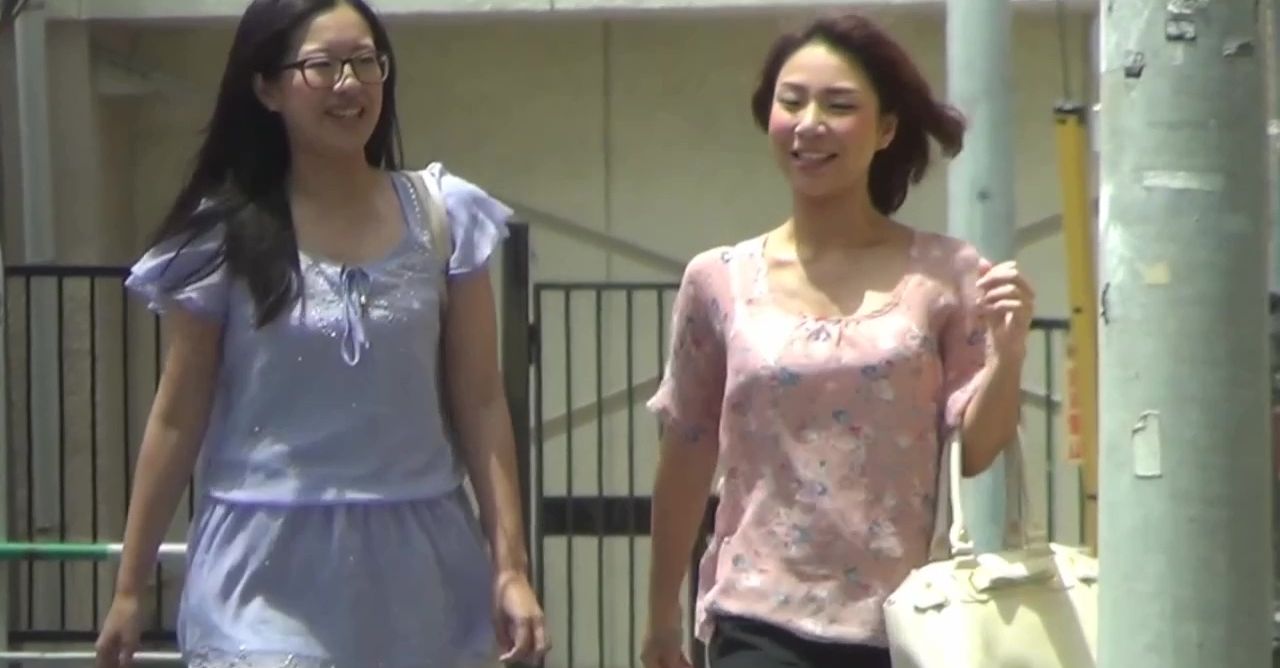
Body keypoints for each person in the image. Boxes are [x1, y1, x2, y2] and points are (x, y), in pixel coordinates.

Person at [92, 1, 548, 666]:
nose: (349, 83)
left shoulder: (443, 216)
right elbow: (177, 413)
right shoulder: (222, 235)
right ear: (266, 88)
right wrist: (130, 587)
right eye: (323, 66)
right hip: (262, 567)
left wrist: (511, 568)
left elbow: (480, 400)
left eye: (366, 61)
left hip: (419, 570)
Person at [640, 13, 1034, 668]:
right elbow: (687, 448)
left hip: (904, 622)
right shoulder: (718, 280)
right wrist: (660, 620)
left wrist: (1009, 354)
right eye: (791, 101)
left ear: (885, 130)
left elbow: (976, 450)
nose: (810, 123)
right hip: (755, 616)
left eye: (839, 105)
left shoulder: (946, 274)